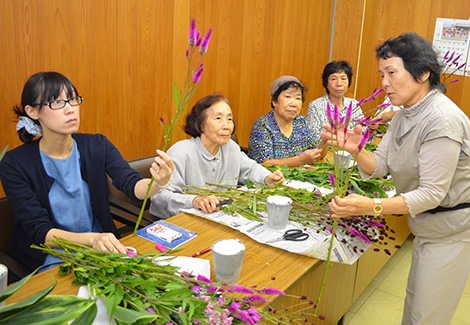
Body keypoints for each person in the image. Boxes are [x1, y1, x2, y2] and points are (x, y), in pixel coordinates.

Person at [321, 32, 470, 325]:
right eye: (381, 74)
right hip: (428, 229)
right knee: (416, 304)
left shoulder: (441, 119)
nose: (384, 83)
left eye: (391, 73)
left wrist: (370, 206)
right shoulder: (404, 115)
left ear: (422, 72)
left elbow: (430, 194)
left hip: (450, 233)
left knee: (426, 316)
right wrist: (356, 149)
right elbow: (379, 165)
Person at [0, 72, 174, 272]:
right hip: (53, 260)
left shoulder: (97, 145)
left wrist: (158, 181)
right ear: (32, 112)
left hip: (103, 253)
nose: (70, 109)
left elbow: (131, 185)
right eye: (56, 102)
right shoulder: (14, 164)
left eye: (73, 99)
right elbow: (40, 232)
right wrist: (92, 239)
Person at [150, 93, 284, 219]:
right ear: (200, 124)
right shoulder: (180, 152)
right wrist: (195, 201)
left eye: (229, 119)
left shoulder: (231, 147)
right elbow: (159, 196)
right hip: (181, 223)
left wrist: (268, 178)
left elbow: (250, 169)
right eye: (218, 118)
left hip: (219, 218)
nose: (226, 126)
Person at [248, 75, 328, 167]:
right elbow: (264, 164)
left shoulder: (301, 122)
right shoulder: (262, 126)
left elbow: (317, 154)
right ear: (274, 101)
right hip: (270, 179)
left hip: (298, 178)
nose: (293, 103)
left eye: (298, 98)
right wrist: (299, 160)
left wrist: (325, 141)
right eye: (287, 96)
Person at [306, 61, 364, 137]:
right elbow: (312, 137)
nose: (339, 84)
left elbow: (363, 134)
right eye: (333, 79)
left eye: (343, 79)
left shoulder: (354, 104)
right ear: (326, 82)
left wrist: (372, 129)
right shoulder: (315, 106)